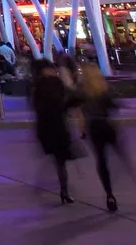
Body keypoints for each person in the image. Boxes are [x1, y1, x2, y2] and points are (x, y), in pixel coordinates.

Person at [79, 63, 135, 211]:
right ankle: (134, 182)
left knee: (101, 160)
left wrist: (83, 128)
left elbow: (77, 107)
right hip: (106, 125)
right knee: (121, 154)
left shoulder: (83, 90)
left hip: (94, 127)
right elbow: (112, 104)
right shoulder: (103, 87)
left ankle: (109, 194)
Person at [31, 60, 78, 203]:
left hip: (45, 127)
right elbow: (64, 102)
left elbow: (36, 106)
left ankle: (63, 189)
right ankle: (64, 190)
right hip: (58, 125)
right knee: (60, 162)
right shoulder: (56, 84)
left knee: (56, 159)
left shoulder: (36, 86)